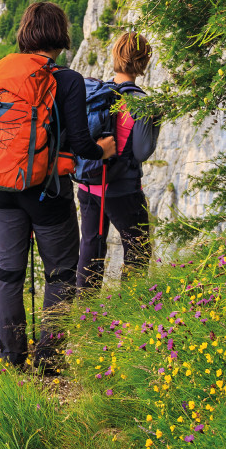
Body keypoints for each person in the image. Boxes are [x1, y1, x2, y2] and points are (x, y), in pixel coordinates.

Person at [0, 2, 115, 374]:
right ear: (60, 35)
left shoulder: (2, 71)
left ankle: (12, 359)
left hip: (1, 187)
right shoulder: (67, 80)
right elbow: (82, 144)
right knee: (59, 272)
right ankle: (49, 361)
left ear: (26, 32)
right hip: (47, 192)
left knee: (9, 272)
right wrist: (104, 148)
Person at [76, 33, 160, 289]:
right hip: (122, 189)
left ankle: (83, 315)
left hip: (88, 185)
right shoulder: (142, 103)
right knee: (138, 251)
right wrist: (155, 122)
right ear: (143, 62)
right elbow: (142, 152)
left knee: (90, 250)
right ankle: (128, 313)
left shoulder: (96, 93)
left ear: (115, 57)